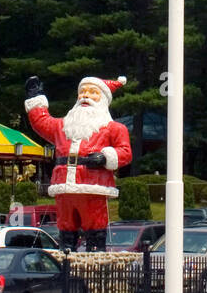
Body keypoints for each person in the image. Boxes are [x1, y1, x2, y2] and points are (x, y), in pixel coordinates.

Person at [23, 74, 132, 251]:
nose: (85, 96)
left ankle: (95, 259)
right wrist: (35, 98)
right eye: (82, 92)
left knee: (95, 224)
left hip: (93, 187)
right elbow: (41, 122)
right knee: (66, 226)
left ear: (103, 99)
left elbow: (125, 152)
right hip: (64, 187)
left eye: (92, 92)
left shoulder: (114, 128)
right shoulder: (62, 127)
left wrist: (105, 157)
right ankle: (66, 259)